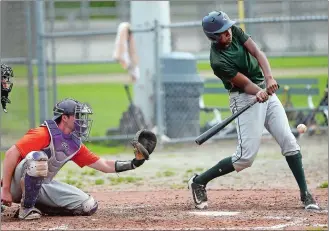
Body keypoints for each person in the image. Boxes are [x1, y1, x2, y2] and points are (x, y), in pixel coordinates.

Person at [188, 11, 320, 211]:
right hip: (243, 98)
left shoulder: (235, 32)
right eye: (223, 32)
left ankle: (305, 194)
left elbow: (258, 53)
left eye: (228, 28)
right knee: (245, 158)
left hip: (265, 90)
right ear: (215, 38)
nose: (228, 33)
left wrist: (269, 78)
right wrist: (258, 92)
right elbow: (245, 83)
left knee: (289, 141)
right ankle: (199, 181)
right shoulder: (218, 61)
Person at [1, 98, 156, 220]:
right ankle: (26, 210)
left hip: (42, 186)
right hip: (16, 185)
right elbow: (11, 154)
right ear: (65, 118)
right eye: (78, 116)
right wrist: (6, 190)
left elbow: (103, 164)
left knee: (88, 205)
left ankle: (37, 206)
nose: (83, 121)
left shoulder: (73, 144)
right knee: (38, 158)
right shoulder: (43, 133)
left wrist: (134, 163)